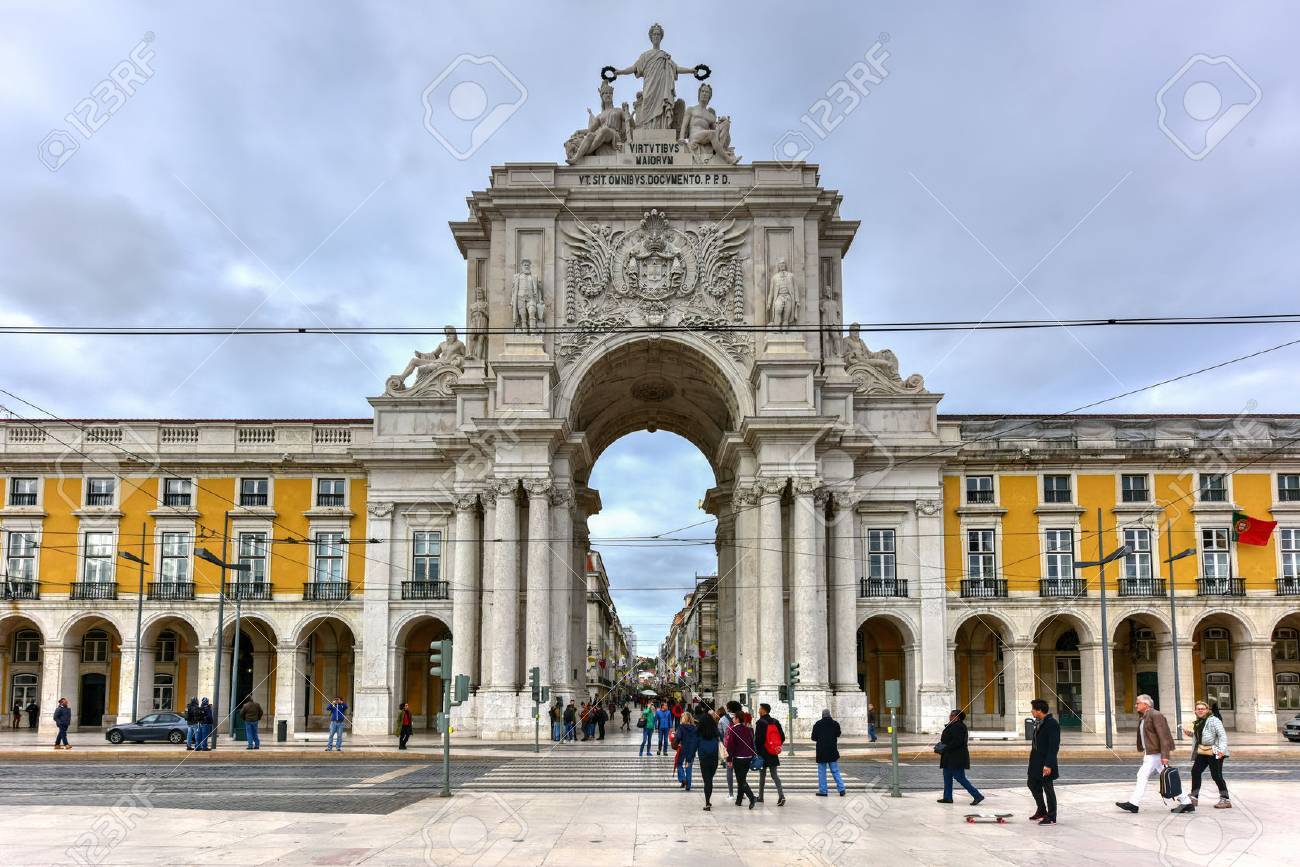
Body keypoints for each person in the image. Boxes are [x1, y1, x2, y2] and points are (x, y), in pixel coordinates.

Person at [1116, 694, 1193, 814]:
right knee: (1167, 777)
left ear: (1146, 704)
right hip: (1151, 752)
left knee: (1142, 775)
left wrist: (1165, 755)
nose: (1135, 705)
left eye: (1137, 703)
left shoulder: (1155, 715)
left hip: (1155, 753)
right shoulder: (1144, 716)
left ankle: (1133, 803)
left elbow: (1164, 736)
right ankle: (1186, 802)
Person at [1183, 700, 1230, 808]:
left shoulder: (1214, 720)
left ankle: (1225, 800)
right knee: (1195, 771)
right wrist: (1191, 734)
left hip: (1215, 751)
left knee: (1216, 775)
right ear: (1195, 711)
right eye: (1198, 709)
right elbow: (1202, 736)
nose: (1200, 710)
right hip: (1202, 751)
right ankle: (1194, 797)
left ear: (1207, 710)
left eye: (1202, 709)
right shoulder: (1199, 722)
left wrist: (1221, 750)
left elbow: (1222, 735)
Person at [936, 709, 984, 805]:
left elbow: (957, 742)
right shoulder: (953, 725)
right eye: (950, 715)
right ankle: (947, 797)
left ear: (957, 717)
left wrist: (944, 747)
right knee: (947, 777)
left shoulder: (959, 727)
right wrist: (941, 745)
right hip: (949, 757)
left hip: (956, 757)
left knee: (960, 777)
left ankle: (977, 796)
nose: (950, 716)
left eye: (952, 715)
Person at [1027, 698, 1059, 825]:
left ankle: (1051, 816)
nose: (1031, 711)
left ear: (1039, 710)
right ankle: (1041, 810)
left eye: (1033, 709)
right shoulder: (1040, 722)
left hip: (1045, 762)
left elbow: (1054, 746)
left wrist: (1048, 764)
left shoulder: (1052, 724)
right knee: (1031, 784)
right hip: (1035, 761)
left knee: (1048, 788)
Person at [724, 710, 758, 809]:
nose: (732, 719)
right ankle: (739, 800)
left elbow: (731, 746)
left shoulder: (733, 730)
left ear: (737, 719)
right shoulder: (748, 729)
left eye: (734, 718)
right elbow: (752, 743)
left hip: (738, 758)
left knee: (741, 780)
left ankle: (752, 797)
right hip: (748, 757)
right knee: (742, 779)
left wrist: (729, 759)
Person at [754, 703, 786, 806]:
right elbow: (782, 737)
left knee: (762, 776)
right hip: (772, 752)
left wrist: (757, 752)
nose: (758, 711)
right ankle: (781, 796)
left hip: (763, 753)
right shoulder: (775, 722)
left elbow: (758, 740)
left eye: (759, 709)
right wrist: (776, 746)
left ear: (763, 710)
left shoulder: (760, 722)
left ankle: (761, 797)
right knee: (774, 775)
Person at [811, 708, 847, 797]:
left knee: (822, 772)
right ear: (829, 714)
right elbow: (838, 734)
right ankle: (841, 789)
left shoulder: (818, 724)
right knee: (835, 771)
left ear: (822, 715)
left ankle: (823, 791)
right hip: (832, 750)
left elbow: (813, 738)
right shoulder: (835, 724)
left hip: (821, 751)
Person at [696, 710, 721, 810]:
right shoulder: (715, 731)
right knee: (710, 779)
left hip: (703, 758)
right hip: (714, 758)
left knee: (707, 780)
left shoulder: (699, 732)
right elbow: (721, 738)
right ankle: (708, 801)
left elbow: (694, 743)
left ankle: (707, 802)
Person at [676, 711, 700, 791]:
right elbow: (697, 739)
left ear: (685, 718)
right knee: (688, 767)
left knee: (679, 764)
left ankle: (683, 779)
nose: (681, 719)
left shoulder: (681, 727)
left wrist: (675, 739)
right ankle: (688, 785)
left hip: (683, 749)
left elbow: (678, 737)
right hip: (692, 750)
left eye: (682, 717)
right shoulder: (695, 728)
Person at [718, 702, 736, 799]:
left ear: (728, 708)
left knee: (729, 770)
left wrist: (723, 743)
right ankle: (742, 791)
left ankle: (731, 793)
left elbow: (720, 733)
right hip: (740, 748)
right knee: (740, 772)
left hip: (728, 747)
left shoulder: (723, 719)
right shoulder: (741, 717)